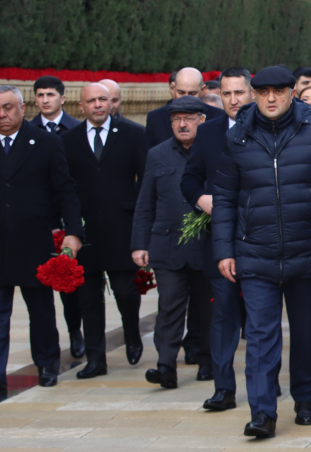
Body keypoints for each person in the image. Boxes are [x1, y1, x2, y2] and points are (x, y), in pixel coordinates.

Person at [212, 66, 311, 439]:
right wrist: (224, 248)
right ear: (254, 95)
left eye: (279, 91)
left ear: (292, 93)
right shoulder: (238, 137)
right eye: (263, 91)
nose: (271, 98)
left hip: (309, 250)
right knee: (260, 335)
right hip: (255, 253)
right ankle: (262, 412)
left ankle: (305, 398)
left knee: (306, 333)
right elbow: (224, 197)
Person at [0, 86, 82, 397]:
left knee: (40, 308)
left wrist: (73, 232)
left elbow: (65, 191)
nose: (2, 114)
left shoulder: (47, 143)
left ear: (22, 108)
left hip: (33, 237)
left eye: (8, 107)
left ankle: (47, 364)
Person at [62, 82, 149, 379]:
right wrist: (71, 228)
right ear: (81, 107)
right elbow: (65, 188)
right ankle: (96, 359)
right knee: (88, 297)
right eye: (91, 101)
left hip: (122, 227)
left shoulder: (133, 133)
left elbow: (145, 181)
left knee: (126, 290)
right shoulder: (69, 139)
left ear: (111, 103)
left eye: (103, 99)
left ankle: (132, 333)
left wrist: (140, 222)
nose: (98, 105)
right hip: (85, 230)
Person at [181, 67, 253, 412]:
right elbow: (190, 178)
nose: (234, 100)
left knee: (260, 317)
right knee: (223, 315)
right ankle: (224, 388)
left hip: (261, 238)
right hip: (219, 238)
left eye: (239, 92)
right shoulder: (208, 131)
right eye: (227, 94)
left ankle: (263, 383)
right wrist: (200, 199)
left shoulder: (267, 126)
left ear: (251, 93)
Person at [132, 95, 214, 389]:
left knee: (208, 308)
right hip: (167, 245)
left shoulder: (215, 151)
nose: (182, 124)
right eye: (177, 119)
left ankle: (207, 360)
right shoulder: (157, 154)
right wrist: (139, 244)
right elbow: (145, 203)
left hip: (206, 244)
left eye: (188, 119)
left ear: (201, 121)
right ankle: (165, 365)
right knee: (168, 306)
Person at [32, 75, 83, 359]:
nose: (45, 100)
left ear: (62, 98)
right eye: (40, 95)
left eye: (50, 94)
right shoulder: (27, 131)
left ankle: (75, 331)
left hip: (69, 216)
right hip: (40, 217)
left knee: (69, 283)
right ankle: (47, 341)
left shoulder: (75, 130)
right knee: (39, 284)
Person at [147, 68, 226, 147]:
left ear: (202, 90)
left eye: (192, 93)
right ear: (173, 88)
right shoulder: (155, 118)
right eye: (181, 93)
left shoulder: (219, 117)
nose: (186, 98)